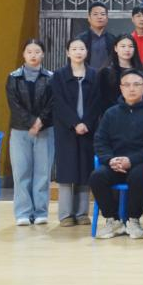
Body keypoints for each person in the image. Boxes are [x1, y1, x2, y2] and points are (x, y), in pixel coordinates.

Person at [89, 68, 143, 239]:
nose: (131, 89)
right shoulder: (111, 113)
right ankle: (113, 220)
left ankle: (133, 220)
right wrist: (110, 160)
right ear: (121, 88)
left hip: (140, 163)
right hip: (114, 163)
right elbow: (100, 141)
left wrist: (131, 160)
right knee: (96, 177)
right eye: (127, 85)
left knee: (138, 176)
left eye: (136, 84)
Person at [51, 38, 100, 226]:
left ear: (86, 52)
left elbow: (96, 102)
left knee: (85, 169)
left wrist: (86, 123)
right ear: (67, 53)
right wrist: (74, 123)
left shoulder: (94, 75)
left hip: (88, 129)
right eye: (74, 48)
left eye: (82, 48)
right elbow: (58, 102)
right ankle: (65, 214)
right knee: (67, 169)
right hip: (66, 130)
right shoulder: (59, 75)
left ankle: (81, 213)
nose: (78, 52)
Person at [7, 39, 55, 226]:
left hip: (45, 130)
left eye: (37, 52)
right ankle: (23, 213)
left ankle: (41, 211)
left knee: (43, 172)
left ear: (43, 54)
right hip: (20, 131)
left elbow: (53, 102)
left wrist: (40, 121)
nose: (33, 55)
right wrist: (31, 122)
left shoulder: (51, 77)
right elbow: (14, 105)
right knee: (21, 172)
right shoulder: (13, 77)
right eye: (29, 52)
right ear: (24, 55)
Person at [96, 34, 139, 113]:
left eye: (130, 46)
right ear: (115, 48)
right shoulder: (106, 72)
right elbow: (101, 100)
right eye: (123, 46)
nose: (127, 49)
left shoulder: (140, 71)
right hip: (112, 115)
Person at [75, 0, 117, 71]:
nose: (99, 17)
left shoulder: (113, 39)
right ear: (89, 18)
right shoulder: (80, 39)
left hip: (108, 76)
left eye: (103, 14)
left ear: (107, 18)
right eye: (95, 14)